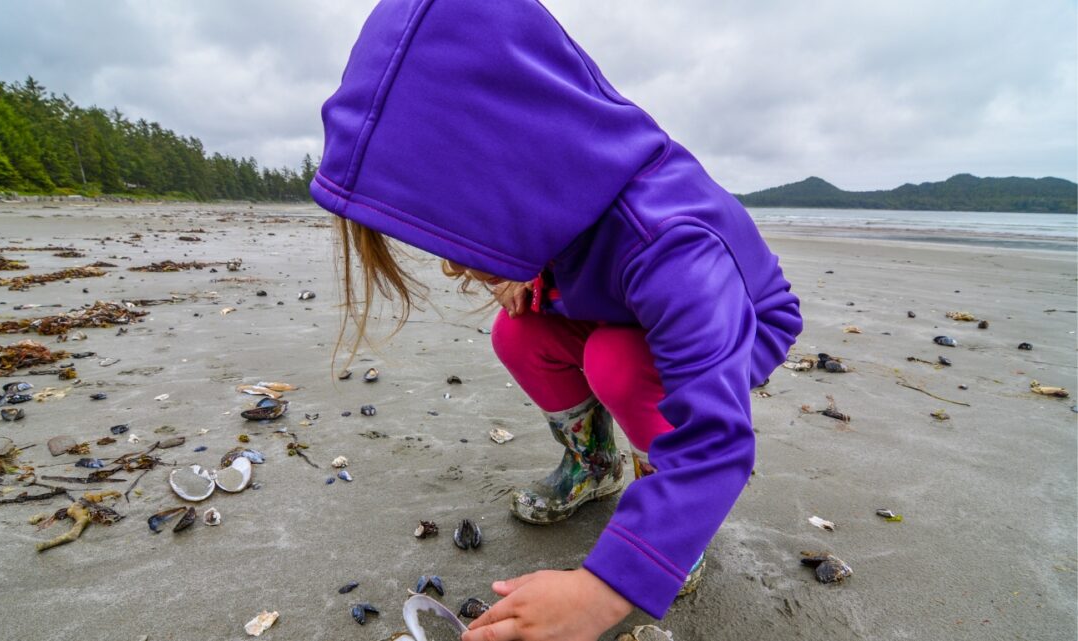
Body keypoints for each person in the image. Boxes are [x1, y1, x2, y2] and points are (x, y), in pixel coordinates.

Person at [309, 1, 802, 639]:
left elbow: (717, 436)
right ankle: (592, 465)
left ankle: (673, 520)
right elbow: (580, 245)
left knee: (618, 363)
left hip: (743, 320)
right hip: (618, 302)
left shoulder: (671, 240)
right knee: (519, 331)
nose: (453, 259)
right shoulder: (557, 191)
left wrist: (608, 588)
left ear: (513, 170)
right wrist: (532, 273)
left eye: (458, 228)